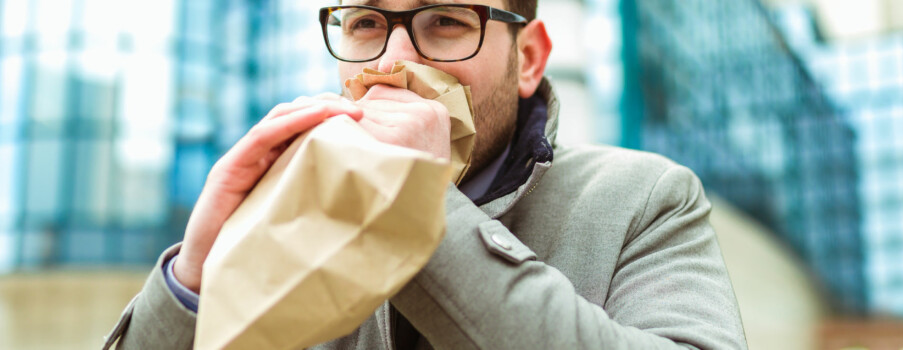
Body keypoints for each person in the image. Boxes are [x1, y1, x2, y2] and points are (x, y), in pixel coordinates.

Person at [104, 0, 747, 348]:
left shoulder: (645, 198)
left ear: (527, 59)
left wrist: (417, 206)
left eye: (444, 21)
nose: (394, 59)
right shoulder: (290, 209)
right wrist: (193, 277)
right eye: (365, 23)